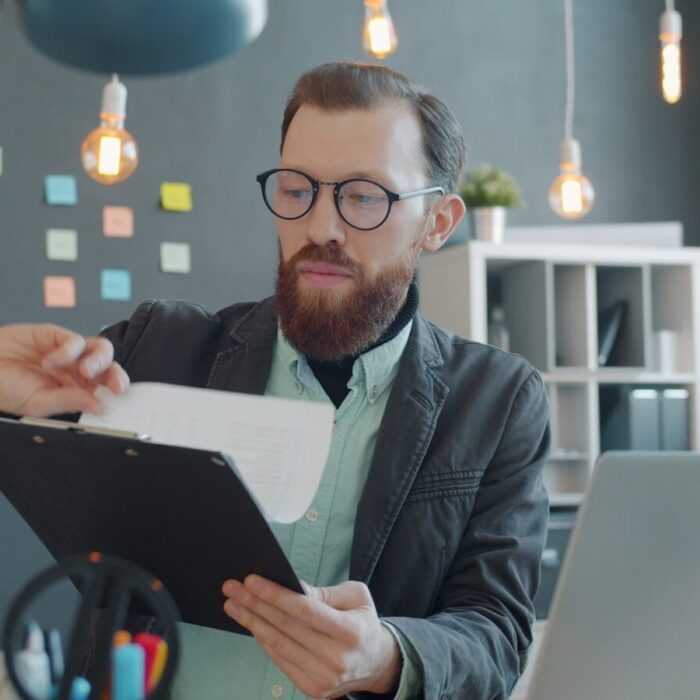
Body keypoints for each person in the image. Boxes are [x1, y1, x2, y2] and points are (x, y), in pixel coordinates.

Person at [0, 61, 549, 699]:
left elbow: (498, 630)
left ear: (438, 223)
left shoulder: (498, 401)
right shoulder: (156, 350)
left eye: (365, 196)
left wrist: (389, 656)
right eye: (297, 190)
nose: (321, 227)